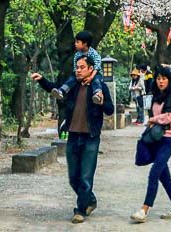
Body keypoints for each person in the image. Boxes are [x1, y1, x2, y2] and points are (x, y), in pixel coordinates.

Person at [30, 56, 113, 224]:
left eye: (82, 67)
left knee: (85, 176)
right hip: (73, 136)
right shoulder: (73, 86)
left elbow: (110, 110)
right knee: (73, 177)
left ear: (91, 69)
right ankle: (90, 200)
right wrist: (42, 80)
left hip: (91, 138)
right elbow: (56, 88)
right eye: (77, 67)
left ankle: (80, 210)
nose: (78, 70)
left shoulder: (99, 87)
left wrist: (102, 103)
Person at [131, 65, 171, 223]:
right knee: (164, 176)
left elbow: (168, 117)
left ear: (169, 80)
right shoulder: (155, 95)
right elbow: (153, 114)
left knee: (154, 173)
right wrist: (152, 120)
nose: (161, 81)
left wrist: (153, 120)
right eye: (158, 78)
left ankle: (144, 210)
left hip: (168, 139)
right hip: (155, 138)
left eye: (164, 78)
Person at [50, 31, 104, 101]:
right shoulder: (77, 55)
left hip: (93, 73)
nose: (75, 44)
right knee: (71, 79)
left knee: (97, 80)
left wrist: (90, 77)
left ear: (85, 43)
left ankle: (97, 94)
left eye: (78, 42)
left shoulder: (94, 54)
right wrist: (77, 76)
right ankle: (61, 91)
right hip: (81, 74)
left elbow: (97, 67)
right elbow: (76, 68)